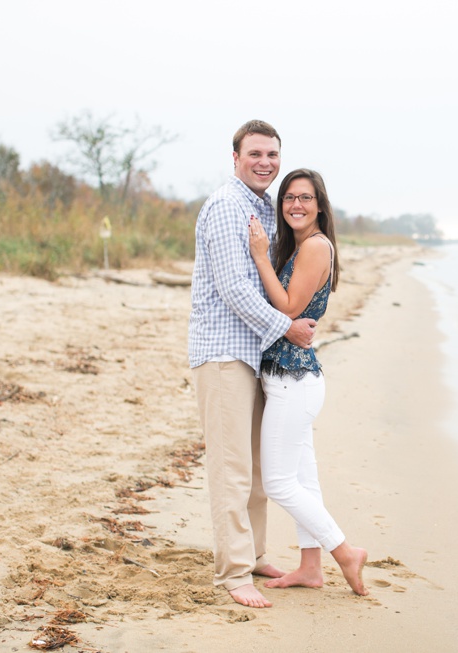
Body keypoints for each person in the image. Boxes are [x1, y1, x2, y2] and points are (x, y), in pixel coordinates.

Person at [188, 120, 317, 609]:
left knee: (260, 467)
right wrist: (287, 327)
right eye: (255, 153)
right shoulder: (226, 206)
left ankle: (256, 553)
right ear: (236, 157)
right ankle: (234, 571)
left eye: (272, 155)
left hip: (253, 352)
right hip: (224, 353)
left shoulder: (259, 205)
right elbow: (235, 288)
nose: (265, 162)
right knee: (232, 468)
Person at [248, 168, 369, 596]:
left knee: (280, 482)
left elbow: (288, 306)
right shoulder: (301, 247)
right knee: (303, 478)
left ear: (320, 205)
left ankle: (345, 552)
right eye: (288, 198)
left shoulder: (316, 247)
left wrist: (260, 256)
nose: (295, 205)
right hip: (293, 378)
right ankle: (310, 568)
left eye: (304, 198)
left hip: (292, 380)